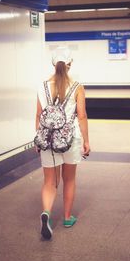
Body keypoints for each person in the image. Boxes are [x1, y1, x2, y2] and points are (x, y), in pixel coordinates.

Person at [35, 46, 90, 240]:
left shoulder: (42, 86)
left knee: (50, 182)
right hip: (70, 139)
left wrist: (38, 139)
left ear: (53, 63)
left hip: (48, 139)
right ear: (70, 64)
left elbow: (39, 115)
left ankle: (47, 213)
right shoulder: (77, 87)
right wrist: (86, 141)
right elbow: (81, 116)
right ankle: (67, 217)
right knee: (69, 179)